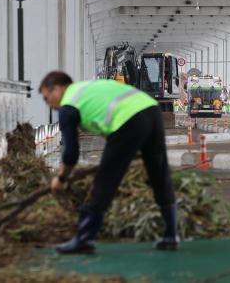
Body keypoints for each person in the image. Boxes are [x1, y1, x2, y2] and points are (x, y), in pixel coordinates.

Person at [38, 71, 179, 254]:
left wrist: (61, 179)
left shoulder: (68, 106)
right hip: (152, 110)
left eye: (46, 98)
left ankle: (84, 239)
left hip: (128, 121)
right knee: (159, 172)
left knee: (105, 179)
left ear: (56, 88)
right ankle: (171, 236)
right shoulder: (86, 88)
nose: (49, 104)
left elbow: (71, 153)